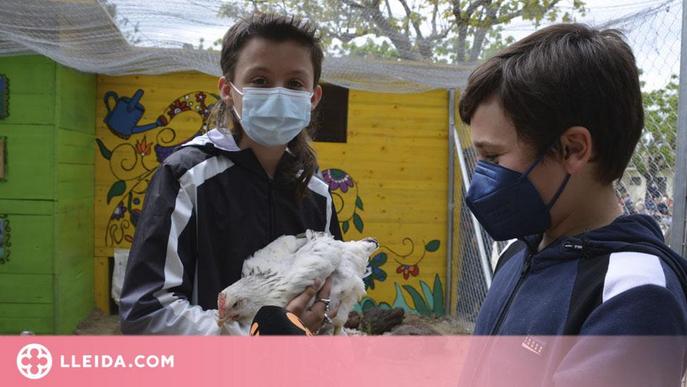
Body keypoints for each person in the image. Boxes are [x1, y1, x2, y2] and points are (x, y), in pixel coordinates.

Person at [457, 23, 687, 386]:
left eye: (493, 157)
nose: (482, 176)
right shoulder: (517, 254)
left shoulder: (631, 293)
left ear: (574, 149)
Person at [119, 13, 342, 335]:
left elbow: (330, 296)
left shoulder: (318, 196)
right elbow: (147, 311)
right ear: (227, 89)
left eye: (294, 83)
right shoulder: (187, 177)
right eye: (260, 81)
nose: (277, 94)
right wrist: (258, 341)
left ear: (313, 97)